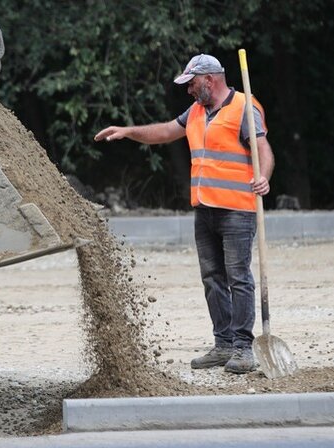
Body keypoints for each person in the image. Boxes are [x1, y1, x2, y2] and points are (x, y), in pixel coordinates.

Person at [94, 54, 274, 374]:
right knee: (212, 279)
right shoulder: (196, 111)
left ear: (209, 79)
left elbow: (263, 151)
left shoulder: (244, 108)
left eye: (191, 84)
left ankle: (244, 348)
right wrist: (128, 131)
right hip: (204, 208)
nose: (189, 90)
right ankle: (223, 345)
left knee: (239, 278)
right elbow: (164, 132)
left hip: (236, 209)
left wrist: (264, 177)